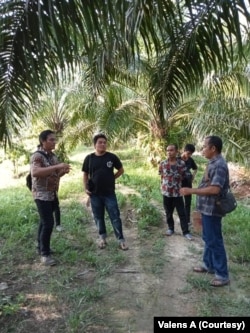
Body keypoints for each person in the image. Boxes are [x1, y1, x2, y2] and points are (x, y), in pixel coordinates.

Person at [180, 135, 230, 287]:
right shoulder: (212, 163)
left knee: (214, 240)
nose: (202, 150)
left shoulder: (219, 165)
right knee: (208, 238)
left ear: (213, 148)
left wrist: (191, 190)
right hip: (206, 208)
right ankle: (208, 264)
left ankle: (222, 274)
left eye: (204, 147)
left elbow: (215, 189)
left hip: (213, 209)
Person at [30, 130, 71, 265]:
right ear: (43, 141)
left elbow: (54, 175)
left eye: (55, 140)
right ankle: (45, 255)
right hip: (41, 195)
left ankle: (40, 246)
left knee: (44, 222)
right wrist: (57, 166)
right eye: (51, 140)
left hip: (52, 194)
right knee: (48, 223)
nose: (54, 142)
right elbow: (35, 172)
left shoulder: (52, 156)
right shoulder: (37, 156)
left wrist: (62, 172)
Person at [82, 133, 128, 250]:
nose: (103, 144)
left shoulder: (112, 157)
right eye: (100, 142)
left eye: (104, 142)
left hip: (109, 194)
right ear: (95, 145)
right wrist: (85, 188)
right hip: (95, 194)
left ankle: (121, 240)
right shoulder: (89, 158)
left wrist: (112, 177)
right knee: (98, 217)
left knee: (115, 216)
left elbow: (121, 170)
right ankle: (102, 238)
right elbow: (85, 174)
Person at [159, 144, 193, 240]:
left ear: (176, 151)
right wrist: (163, 186)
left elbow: (184, 176)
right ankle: (171, 228)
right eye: (167, 150)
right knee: (168, 212)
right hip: (166, 193)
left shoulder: (181, 164)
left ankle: (186, 232)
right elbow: (162, 175)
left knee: (182, 213)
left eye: (171, 150)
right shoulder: (163, 163)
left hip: (177, 193)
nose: (169, 152)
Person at [180, 144, 198, 225]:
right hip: (178, 184)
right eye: (188, 153)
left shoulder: (191, 160)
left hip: (188, 183)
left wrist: (193, 177)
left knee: (188, 202)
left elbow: (195, 168)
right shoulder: (177, 159)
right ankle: (180, 218)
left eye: (191, 154)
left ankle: (187, 220)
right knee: (178, 202)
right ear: (184, 150)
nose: (189, 155)